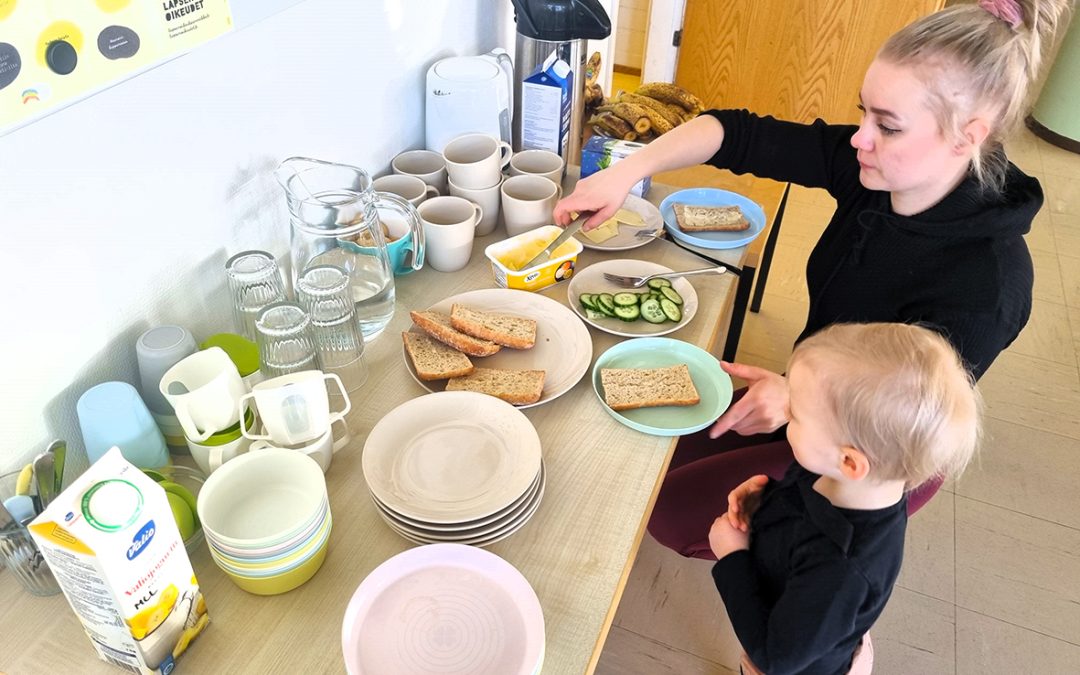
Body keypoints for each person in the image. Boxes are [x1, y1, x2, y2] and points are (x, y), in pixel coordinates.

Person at [553, 0, 1069, 525]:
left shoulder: (987, 288)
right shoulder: (878, 172)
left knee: (664, 512)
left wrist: (797, 398)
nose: (859, 138)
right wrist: (623, 173)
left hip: (871, 451)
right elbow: (735, 132)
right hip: (810, 390)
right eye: (863, 111)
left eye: (887, 126)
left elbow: (904, 416)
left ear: (969, 135)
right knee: (649, 454)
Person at [707, 322, 981, 674]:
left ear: (850, 461)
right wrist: (769, 498)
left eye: (795, 416)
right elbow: (804, 500)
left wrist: (732, 557)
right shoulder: (845, 477)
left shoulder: (841, 570)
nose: (785, 418)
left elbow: (774, 657)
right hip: (800, 609)